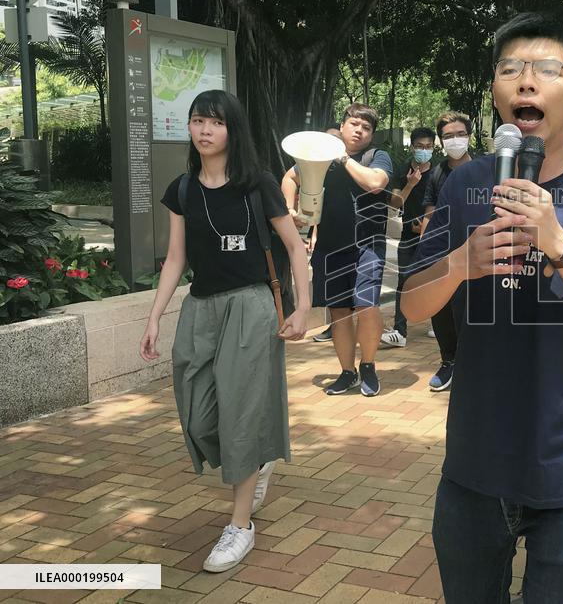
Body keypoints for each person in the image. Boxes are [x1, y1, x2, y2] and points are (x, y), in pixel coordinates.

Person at [401, 12, 563, 603]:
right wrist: (461, 263)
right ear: (495, 92)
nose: (526, 82)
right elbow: (413, 305)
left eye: (547, 69)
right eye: (510, 70)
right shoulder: (465, 184)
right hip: (474, 462)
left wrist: (559, 242)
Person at [139, 90, 310, 572]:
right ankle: (254, 460)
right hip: (201, 309)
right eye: (197, 121)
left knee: (240, 413)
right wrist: (154, 316)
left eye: (214, 122)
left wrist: (303, 310)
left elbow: (296, 249)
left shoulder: (258, 186)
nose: (205, 130)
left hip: (251, 308)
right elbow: (176, 259)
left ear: (232, 130)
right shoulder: (183, 190)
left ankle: (240, 525)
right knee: (197, 414)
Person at [285, 104, 393, 397]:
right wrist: (289, 208)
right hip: (331, 246)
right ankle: (348, 372)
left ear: (372, 134)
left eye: (366, 127)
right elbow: (290, 177)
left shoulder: (376, 157)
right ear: (342, 126)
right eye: (354, 123)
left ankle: (368, 365)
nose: (359, 130)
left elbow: (374, 183)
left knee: (366, 305)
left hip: (367, 245)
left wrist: (343, 157)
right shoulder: (320, 156)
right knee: (339, 312)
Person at [416, 111, 474, 392]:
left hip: (479, 254)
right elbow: (430, 213)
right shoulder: (437, 173)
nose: (454, 140)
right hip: (445, 253)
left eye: (460, 134)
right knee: (442, 308)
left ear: (470, 137)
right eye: (448, 136)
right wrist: (425, 257)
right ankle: (448, 361)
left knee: (476, 310)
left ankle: (472, 362)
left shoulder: (486, 168)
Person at [280, 125, 342, 344]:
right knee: (328, 288)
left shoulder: (348, 166)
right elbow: (289, 177)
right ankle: (334, 327)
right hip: (326, 237)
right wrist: (288, 208)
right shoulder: (309, 161)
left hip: (346, 236)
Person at [381, 127, 435, 348]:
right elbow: (394, 204)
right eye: (420, 146)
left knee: (434, 279)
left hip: (433, 236)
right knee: (403, 281)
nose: (424, 150)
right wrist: (410, 184)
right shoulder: (402, 170)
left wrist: (427, 225)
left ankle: (437, 323)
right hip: (407, 236)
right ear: (412, 147)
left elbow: (444, 203)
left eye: (429, 147)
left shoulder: (439, 171)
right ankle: (399, 331)